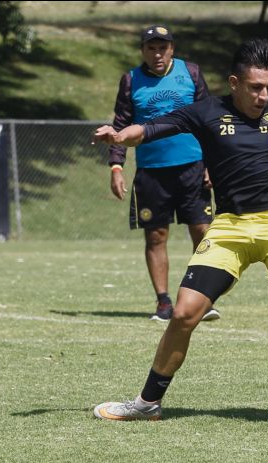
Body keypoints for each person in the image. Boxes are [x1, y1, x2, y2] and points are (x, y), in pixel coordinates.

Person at [92, 39, 268, 426]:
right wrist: (121, 138)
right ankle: (147, 403)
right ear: (234, 82)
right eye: (256, 87)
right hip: (230, 227)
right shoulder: (206, 111)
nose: (264, 96)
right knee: (185, 313)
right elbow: (157, 127)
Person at [108, 25, 219, 322]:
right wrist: (116, 166)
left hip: (193, 167)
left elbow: (210, 120)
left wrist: (212, 163)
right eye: (151, 48)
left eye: (163, 47)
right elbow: (120, 124)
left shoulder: (191, 73)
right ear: (143, 50)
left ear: (172, 49)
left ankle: (202, 298)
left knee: (203, 232)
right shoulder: (131, 80)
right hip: (152, 172)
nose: (157, 53)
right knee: (156, 236)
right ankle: (163, 302)